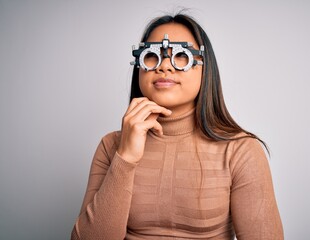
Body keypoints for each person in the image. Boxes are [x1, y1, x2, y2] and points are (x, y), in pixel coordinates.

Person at [71, 13, 283, 240]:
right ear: (139, 65)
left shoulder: (240, 151)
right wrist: (125, 158)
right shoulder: (111, 145)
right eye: (152, 56)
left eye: (181, 56)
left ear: (205, 67)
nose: (164, 66)